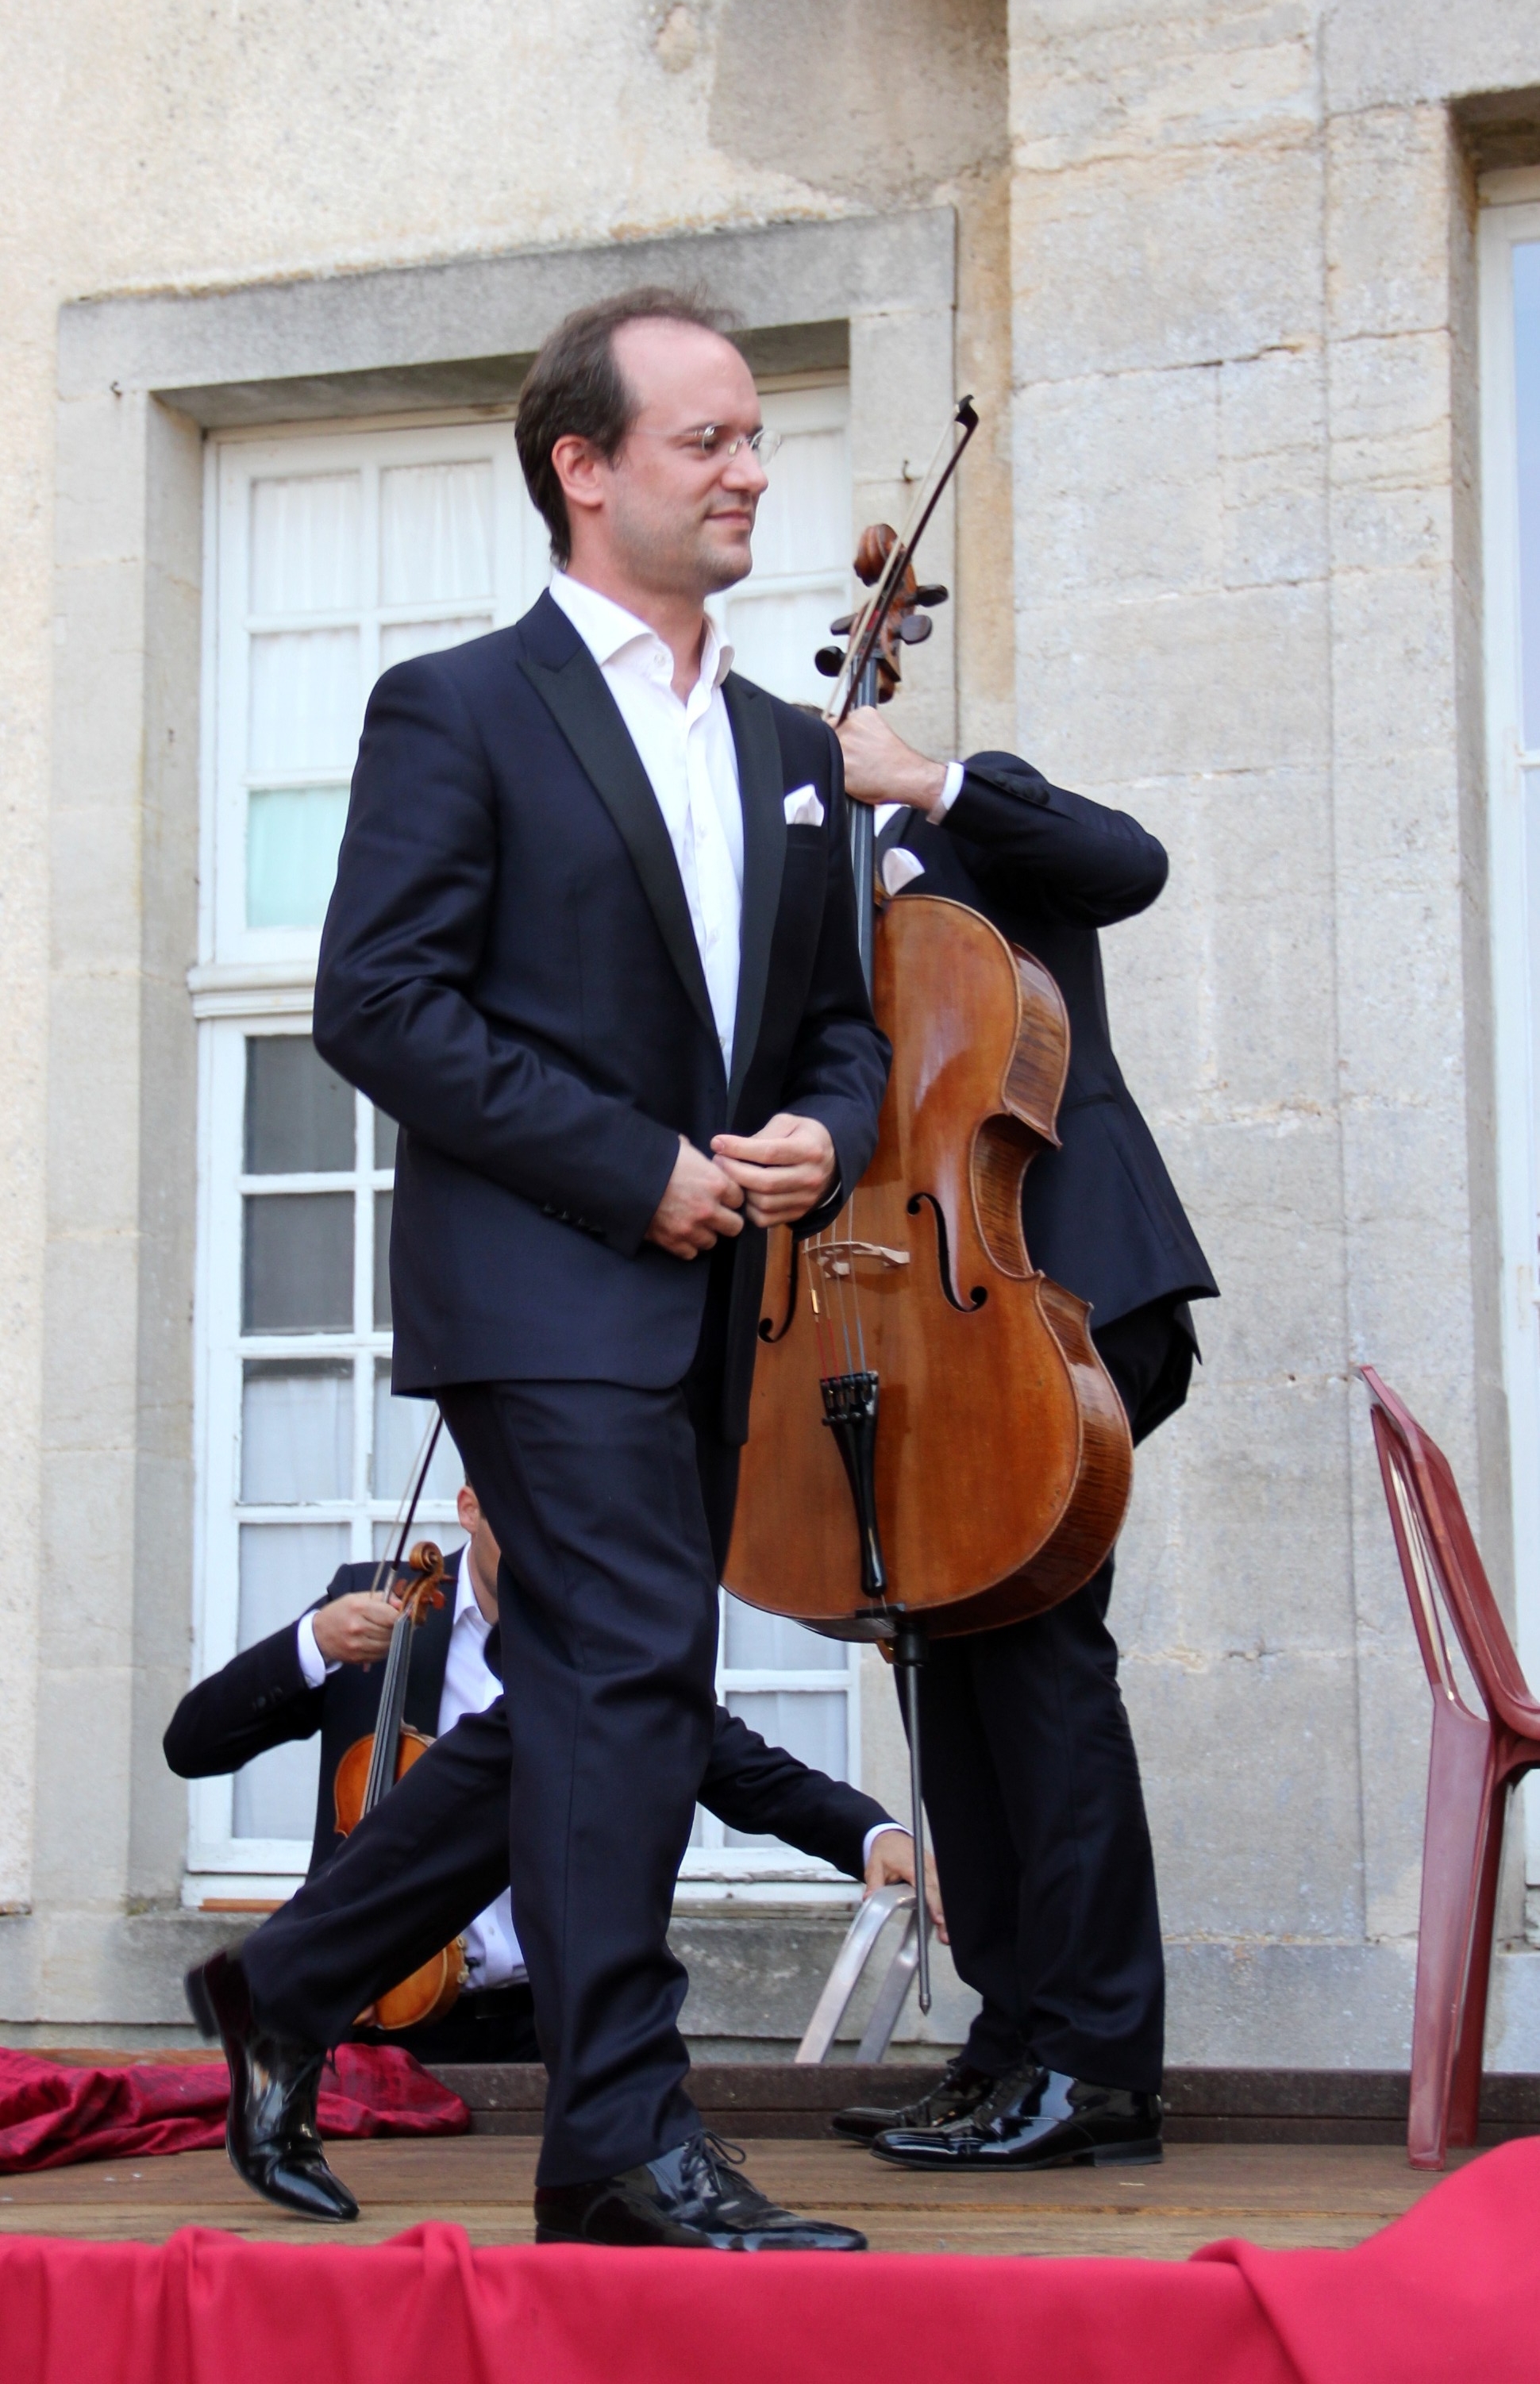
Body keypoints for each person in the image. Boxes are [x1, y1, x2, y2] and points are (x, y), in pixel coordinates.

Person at [183, 286, 890, 2252]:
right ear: (583, 472)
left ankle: (286, 1983)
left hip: (720, 1293)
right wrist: (634, 1166)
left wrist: (825, 1130)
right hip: (540, 1280)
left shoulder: (788, 748)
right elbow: (376, 1001)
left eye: (757, 437)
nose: (752, 467)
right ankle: (616, 2143)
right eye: (708, 440)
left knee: (594, 1683)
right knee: (639, 1664)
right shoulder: (457, 707)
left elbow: (839, 1027)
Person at [826, 704, 1218, 2173]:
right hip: (916, 1317)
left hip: (1065, 1283)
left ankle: (1101, 2063)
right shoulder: (814, 883)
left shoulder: (977, 817)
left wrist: (933, 776)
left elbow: (1134, 861)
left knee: (1044, 1657)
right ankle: (1013, 2037)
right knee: (947, 1656)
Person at [167, 1480, 932, 2067]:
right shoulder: (382, 1617)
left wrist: (870, 1832)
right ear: (470, 1508)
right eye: (521, 1526)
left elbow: (731, 1759)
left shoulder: (599, 1648)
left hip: (554, 2025)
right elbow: (192, 1745)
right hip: (379, 2035)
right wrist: (313, 1643)